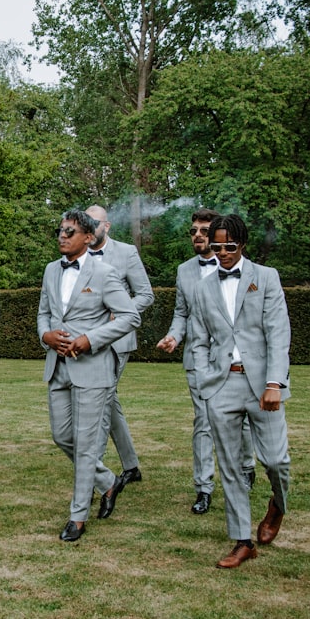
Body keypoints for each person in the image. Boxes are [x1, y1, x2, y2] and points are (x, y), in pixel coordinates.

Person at [191, 214, 292, 569]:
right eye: (216, 246)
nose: (222, 253)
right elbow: (199, 340)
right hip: (221, 386)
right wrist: (206, 383)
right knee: (231, 466)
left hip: (263, 384)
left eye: (228, 246)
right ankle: (242, 541)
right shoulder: (203, 287)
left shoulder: (265, 278)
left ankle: (278, 503)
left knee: (276, 461)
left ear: (242, 245)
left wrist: (274, 383)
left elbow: (278, 333)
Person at [38, 210, 140, 541]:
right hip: (58, 367)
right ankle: (108, 482)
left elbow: (130, 316)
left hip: (93, 369)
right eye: (60, 230)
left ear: (88, 237)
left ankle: (77, 516)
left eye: (70, 231)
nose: (62, 236)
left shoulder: (105, 272)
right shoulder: (52, 270)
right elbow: (43, 313)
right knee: (61, 436)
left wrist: (90, 339)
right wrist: (46, 336)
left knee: (85, 445)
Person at [157, 209, 256, 515]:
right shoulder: (185, 270)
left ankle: (246, 466)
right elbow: (181, 313)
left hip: (236, 361)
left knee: (239, 421)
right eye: (193, 231)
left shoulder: (241, 268)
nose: (197, 235)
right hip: (198, 361)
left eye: (204, 230)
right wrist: (174, 336)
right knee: (203, 423)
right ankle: (204, 488)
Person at [84, 204, 154, 501]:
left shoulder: (126, 253)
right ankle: (131, 465)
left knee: (99, 403)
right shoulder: (76, 253)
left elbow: (145, 295)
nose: (89, 228)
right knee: (109, 402)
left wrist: (119, 313)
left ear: (107, 226)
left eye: (94, 223)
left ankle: (92, 473)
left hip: (116, 342)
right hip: (86, 342)